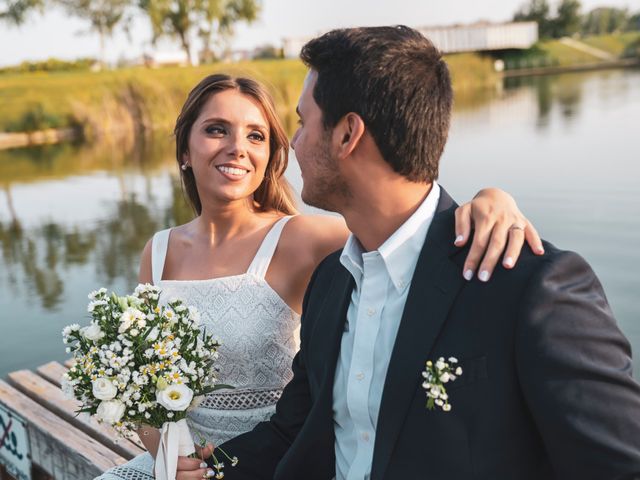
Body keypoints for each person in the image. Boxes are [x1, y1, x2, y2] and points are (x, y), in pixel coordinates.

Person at [185, 26, 640, 480]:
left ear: (347, 135)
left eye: (303, 123)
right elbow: (294, 432)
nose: (293, 144)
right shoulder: (331, 282)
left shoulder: (530, 288)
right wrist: (208, 473)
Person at [96, 72, 543, 480]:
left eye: (256, 135)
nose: (237, 147)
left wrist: (491, 198)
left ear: (270, 155)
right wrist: (171, 462)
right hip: (188, 464)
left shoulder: (304, 237)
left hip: (281, 457)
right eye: (217, 130)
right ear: (184, 151)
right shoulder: (157, 252)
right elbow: (143, 384)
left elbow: (406, 232)